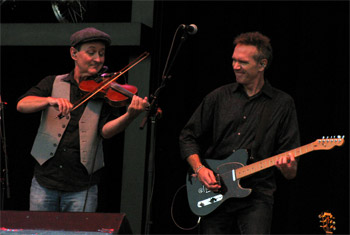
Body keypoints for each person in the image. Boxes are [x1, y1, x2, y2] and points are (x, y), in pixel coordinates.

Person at [17, 27, 149, 212]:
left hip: (82, 186)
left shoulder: (105, 91)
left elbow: (106, 131)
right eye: (91, 52)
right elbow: (22, 104)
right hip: (45, 181)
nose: (98, 59)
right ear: (74, 53)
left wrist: (130, 116)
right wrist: (49, 100)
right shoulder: (53, 82)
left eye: (102, 54)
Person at [179, 31, 300, 234]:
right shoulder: (218, 97)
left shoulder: (282, 103)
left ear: (262, 64)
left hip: (257, 194)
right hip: (214, 187)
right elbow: (187, 136)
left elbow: (291, 170)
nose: (235, 66)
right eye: (233, 60)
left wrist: (287, 167)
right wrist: (200, 169)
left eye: (242, 62)